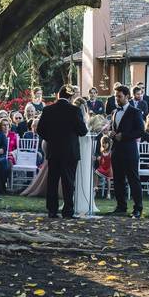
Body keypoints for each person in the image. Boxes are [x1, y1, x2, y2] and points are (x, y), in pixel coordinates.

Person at [35, 85, 87, 219]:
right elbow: (83, 131)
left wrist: (51, 139)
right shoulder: (74, 110)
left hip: (54, 150)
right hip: (70, 152)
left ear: (58, 95)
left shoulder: (48, 110)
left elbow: (40, 130)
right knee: (68, 182)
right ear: (70, 97)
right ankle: (68, 211)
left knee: (52, 181)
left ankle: (52, 211)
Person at [104, 85, 145, 217]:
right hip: (116, 150)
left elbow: (140, 131)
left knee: (133, 180)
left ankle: (138, 208)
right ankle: (121, 206)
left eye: (119, 96)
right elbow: (114, 128)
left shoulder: (135, 112)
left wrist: (124, 136)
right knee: (118, 180)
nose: (117, 99)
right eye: (116, 96)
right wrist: (111, 133)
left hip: (130, 151)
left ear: (127, 97)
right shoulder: (114, 112)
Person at [73, 97, 97, 216]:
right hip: (83, 149)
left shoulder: (77, 119)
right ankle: (82, 200)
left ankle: (79, 201)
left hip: (81, 149)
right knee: (82, 174)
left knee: (79, 174)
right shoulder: (84, 121)